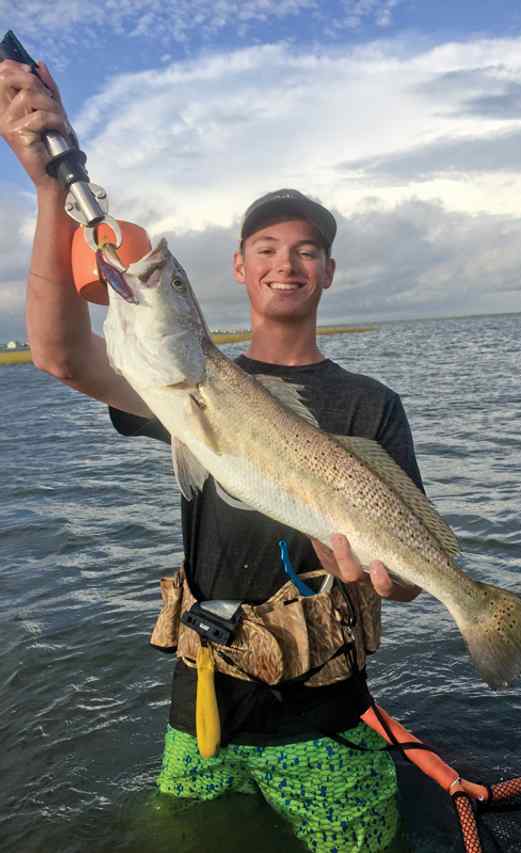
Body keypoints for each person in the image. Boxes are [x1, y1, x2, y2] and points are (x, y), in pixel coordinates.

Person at [0, 58, 425, 853]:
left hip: (324, 722)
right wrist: (49, 192)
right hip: (198, 716)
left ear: (327, 272)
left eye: (305, 251)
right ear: (241, 268)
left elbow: (400, 584)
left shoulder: (371, 405)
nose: (285, 263)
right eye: (265, 248)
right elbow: (59, 353)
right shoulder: (183, 390)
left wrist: (394, 577)